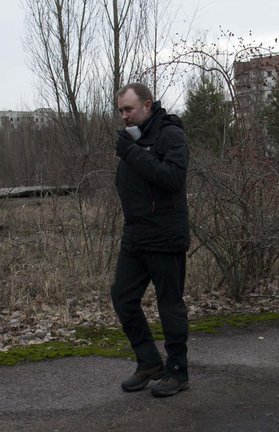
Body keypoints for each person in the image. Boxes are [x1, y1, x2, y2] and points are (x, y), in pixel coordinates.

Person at [111, 82, 191, 397]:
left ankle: (177, 371)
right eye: (120, 111)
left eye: (128, 109)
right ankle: (149, 362)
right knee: (122, 298)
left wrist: (130, 153)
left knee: (169, 305)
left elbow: (171, 178)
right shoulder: (134, 138)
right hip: (136, 236)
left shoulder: (170, 135)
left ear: (147, 105)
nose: (124, 117)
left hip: (166, 237)